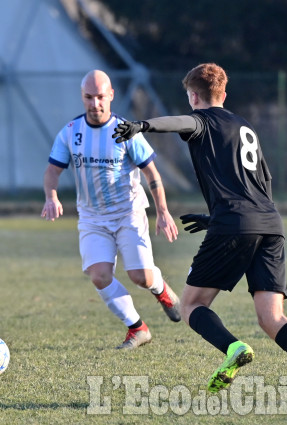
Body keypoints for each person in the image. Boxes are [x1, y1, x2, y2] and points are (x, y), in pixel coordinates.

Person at [112, 63, 287, 399]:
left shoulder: (202, 120)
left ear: (193, 96)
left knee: (192, 305)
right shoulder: (245, 126)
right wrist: (218, 216)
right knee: (272, 317)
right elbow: (262, 183)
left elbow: (183, 122)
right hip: (269, 223)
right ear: (224, 93)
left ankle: (233, 348)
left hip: (236, 223)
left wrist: (141, 126)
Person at [41, 69, 181, 350]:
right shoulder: (71, 132)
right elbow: (53, 170)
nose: (95, 103)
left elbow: (152, 174)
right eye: (89, 97)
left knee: (140, 277)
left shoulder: (125, 131)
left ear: (111, 96)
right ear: (82, 98)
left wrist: (163, 212)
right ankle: (138, 329)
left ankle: (162, 290)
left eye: (100, 97)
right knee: (99, 275)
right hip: (92, 218)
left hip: (128, 212)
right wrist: (51, 196)